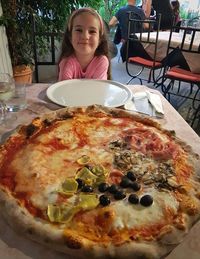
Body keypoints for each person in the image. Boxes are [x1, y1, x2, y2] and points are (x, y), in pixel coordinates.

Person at [58, 7, 111, 81]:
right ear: (70, 37)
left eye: (92, 31)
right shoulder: (66, 62)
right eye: (79, 30)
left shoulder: (102, 61)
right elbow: (64, 91)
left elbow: (99, 90)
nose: (85, 36)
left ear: (100, 39)